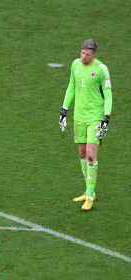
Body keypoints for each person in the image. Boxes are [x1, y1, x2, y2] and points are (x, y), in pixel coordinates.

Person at [59, 39, 112, 211]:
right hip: (79, 117)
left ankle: (90, 196)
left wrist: (106, 118)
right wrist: (64, 110)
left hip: (95, 118)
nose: (83, 57)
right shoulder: (75, 65)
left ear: (94, 54)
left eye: (87, 55)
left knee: (90, 155)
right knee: (82, 153)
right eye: (82, 53)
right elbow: (71, 87)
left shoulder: (101, 69)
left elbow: (108, 95)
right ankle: (88, 190)